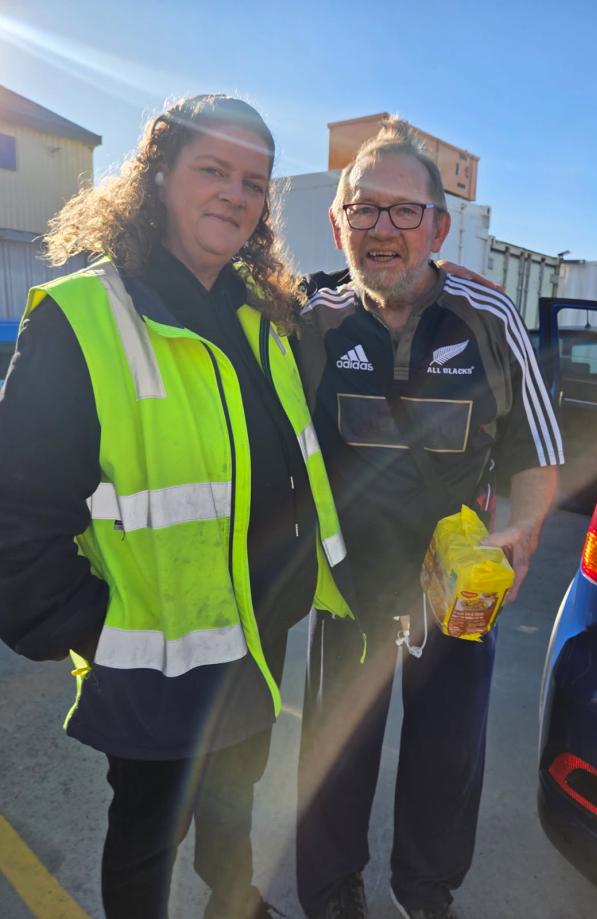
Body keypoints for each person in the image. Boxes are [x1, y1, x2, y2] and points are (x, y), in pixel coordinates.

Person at [0, 95, 354, 919]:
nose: (236, 194)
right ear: (157, 177)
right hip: (153, 655)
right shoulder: (82, 320)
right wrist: (93, 629)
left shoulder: (261, 316)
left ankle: (230, 896)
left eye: (254, 182)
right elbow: (16, 521)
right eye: (213, 170)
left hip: (255, 636)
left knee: (235, 795)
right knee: (149, 831)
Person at [294, 119, 564, 919]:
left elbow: (536, 447)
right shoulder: (312, 323)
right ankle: (330, 887)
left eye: (404, 211)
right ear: (338, 223)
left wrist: (525, 526)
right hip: (346, 589)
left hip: (457, 595)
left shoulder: (487, 317)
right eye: (364, 210)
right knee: (334, 754)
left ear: (439, 227)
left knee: (447, 756)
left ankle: (425, 890)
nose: (383, 229)